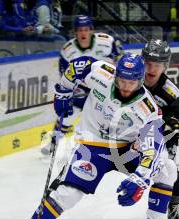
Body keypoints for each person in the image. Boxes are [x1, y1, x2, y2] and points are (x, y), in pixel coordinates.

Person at [3, 53, 177, 219]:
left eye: (131, 82)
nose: (125, 87)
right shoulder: (102, 73)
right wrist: (63, 91)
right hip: (93, 145)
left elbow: (154, 152)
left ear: (140, 80)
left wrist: (140, 180)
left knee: (168, 169)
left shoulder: (149, 109)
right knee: (68, 193)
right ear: (116, 76)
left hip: (126, 149)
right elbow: (78, 65)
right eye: (122, 80)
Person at [41, 14, 123, 155]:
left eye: (86, 29)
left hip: (107, 88)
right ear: (75, 32)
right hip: (82, 89)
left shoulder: (107, 42)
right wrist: (74, 89)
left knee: (113, 116)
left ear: (91, 30)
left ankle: (119, 145)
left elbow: (121, 58)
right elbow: (65, 75)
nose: (83, 33)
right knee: (67, 116)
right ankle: (54, 143)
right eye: (79, 30)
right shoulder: (68, 51)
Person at [141, 39, 179, 219]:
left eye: (157, 64)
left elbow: (176, 130)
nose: (151, 68)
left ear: (166, 65)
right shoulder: (129, 80)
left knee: (176, 155)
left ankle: (174, 207)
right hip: (123, 136)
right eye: (148, 63)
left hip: (150, 140)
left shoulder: (171, 93)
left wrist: (171, 129)